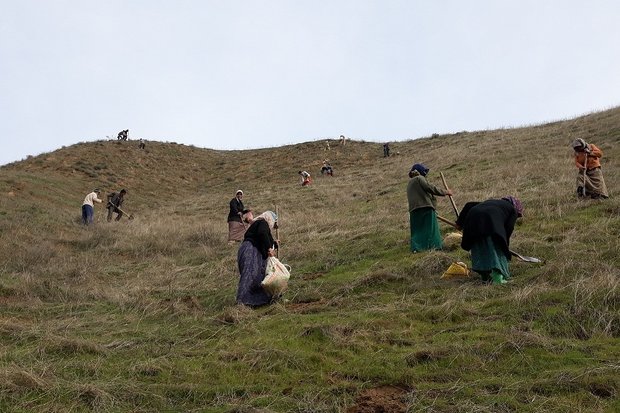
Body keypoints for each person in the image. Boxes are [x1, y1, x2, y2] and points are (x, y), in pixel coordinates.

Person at [456, 196, 523, 284]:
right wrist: (505, 246)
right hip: (490, 224)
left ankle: (485, 277)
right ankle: (498, 278)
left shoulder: (490, 202)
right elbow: (508, 228)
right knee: (495, 250)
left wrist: (459, 223)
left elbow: (469, 205)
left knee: (479, 248)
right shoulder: (512, 210)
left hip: (472, 223)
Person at [236, 211, 279, 307]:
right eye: (274, 222)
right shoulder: (263, 222)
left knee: (256, 275)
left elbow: (264, 238)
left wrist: (274, 244)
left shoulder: (259, 225)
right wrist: (269, 248)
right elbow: (262, 234)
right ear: (269, 219)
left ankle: (253, 300)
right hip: (251, 251)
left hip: (249, 250)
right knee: (250, 274)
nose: (273, 225)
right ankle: (244, 301)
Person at [407, 163, 452, 252]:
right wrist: (445, 192)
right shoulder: (419, 178)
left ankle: (417, 248)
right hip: (425, 207)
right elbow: (430, 188)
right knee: (431, 229)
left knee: (418, 230)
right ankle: (435, 246)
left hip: (413, 209)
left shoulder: (410, 183)